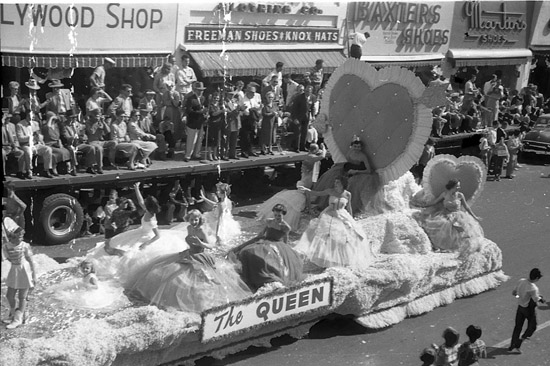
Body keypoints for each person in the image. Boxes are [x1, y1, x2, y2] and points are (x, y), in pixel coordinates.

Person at [127, 209, 251, 312]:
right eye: (191, 219)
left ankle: (197, 301)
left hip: (200, 256)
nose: (193, 222)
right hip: (188, 254)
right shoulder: (189, 228)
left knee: (200, 280)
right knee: (165, 272)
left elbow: (212, 246)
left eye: (196, 219)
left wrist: (200, 242)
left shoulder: (201, 230)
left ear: (199, 219)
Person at [296, 176, 374, 269]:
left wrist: (352, 219)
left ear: (342, 184)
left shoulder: (347, 194)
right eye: (335, 182)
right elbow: (317, 193)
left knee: (347, 236)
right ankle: (326, 258)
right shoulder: (330, 191)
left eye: (337, 182)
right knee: (328, 235)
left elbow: (349, 207)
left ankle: (344, 259)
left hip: (342, 214)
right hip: (329, 214)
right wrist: (306, 189)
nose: (335, 184)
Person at [232, 203, 304, 292]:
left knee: (270, 257)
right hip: (265, 241)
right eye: (276, 215)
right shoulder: (269, 221)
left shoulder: (285, 227)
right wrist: (251, 242)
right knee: (249, 251)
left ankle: (272, 278)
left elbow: (285, 240)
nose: (277, 217)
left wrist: (286, 254)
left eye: (279, 216)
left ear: (283, 215)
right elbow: (262, 234)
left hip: (278, 244)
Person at [257, 143, 327, 231]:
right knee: (295, 208)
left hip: (304, 184)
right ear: (314, 150)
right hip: (303, 188)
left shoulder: (309, 159)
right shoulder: (311, 157)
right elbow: (322, 156)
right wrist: (323, 148)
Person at [416, 179, 484, 253]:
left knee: (462, 229)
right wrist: (423, 205)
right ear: (452, 186)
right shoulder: (445, 194)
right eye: (457, 186)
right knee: (442, 225)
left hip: (458, 216)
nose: (459, 187)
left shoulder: (460, 195)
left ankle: (461, 246)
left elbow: (467, 207)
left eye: (459, 186)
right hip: (446, 214)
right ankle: (443, 246)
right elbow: (435, 202)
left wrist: (475, 217)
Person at [45, 259, 127, 310]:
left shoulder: (91, 277)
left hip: (91, 291)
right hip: (85, 287)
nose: (85, 269)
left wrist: (88, 286)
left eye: (87, 268)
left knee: (72, 298)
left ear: (91, 269)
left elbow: (96, 287)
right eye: (83, 268)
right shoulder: (86, 275)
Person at [1, 218, 36, 329]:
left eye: (22, 235)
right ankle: (13, 314)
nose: (22, 237)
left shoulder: (24, 246)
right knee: (9, 295)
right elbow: (5, 258)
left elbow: (30, 260)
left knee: (22, 296)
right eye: (19, 235)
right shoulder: (6, 246)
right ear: (13, 236)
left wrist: (34, 275)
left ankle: (18, 318)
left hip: (24, 271)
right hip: (14, 270)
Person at [508, 268, 546, 354]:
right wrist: (541, 298)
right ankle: (520, 341)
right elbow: (536, 299)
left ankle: (512, 345)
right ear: (536, 278)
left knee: (517, 327)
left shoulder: (521, 281)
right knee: (532, 327)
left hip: (520, 307)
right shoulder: (533, 288)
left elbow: (514, 293)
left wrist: (520, 297)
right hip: (528, 310)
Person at [15, 113, 55, 178]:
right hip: (26, 145)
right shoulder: (19, 125)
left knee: (48, 149)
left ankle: (46, 170)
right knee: (28, 151)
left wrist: (39, 137)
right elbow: (20, 138)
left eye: (33, 117)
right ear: (27, 116)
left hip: (35, 144)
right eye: (30, 117)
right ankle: (29, 171)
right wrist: (30, 137)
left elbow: (40, 136)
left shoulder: (35, 124)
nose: (32, 119)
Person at [183, 81, 208, 162]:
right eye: (199, 90)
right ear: (195, 90)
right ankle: (188, 156)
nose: (200, 92)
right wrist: (200, 112)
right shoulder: (191, 99)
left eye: (202, 90)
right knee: (191, 139)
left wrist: (205, 114)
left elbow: (205, 108)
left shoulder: (203, 98)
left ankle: (196, 154)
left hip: (200, 122)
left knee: (199, 138)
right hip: (192, 122)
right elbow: (189, 111)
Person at [239, 83, 262, 158]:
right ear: (247, 92)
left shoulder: (254, 99)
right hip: (245, 119)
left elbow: (257, 107)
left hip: (252, 120)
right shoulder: (243, 99)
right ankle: (244, 151)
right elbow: (243, 110)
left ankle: (250, 150)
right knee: (245, 136)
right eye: (252, 92)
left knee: (252, 135)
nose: (253, 94)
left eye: (254, 93)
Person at [291, 84, 315, 152]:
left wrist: (313, 115)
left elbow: (312, 107)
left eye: (309, 91)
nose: (307, 92)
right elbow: (294, 109)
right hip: (298, 117)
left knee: (304, 132)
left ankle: (303, 147)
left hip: (306, 117)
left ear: (311, 92)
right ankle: (296, 147)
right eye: (306, 91)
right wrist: (294, 118)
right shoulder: (299, 97)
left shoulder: (312, 97)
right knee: (298, 133)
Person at [2, 112, 26, 179]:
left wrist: (16, 147)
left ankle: (20, 172)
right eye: (7, 118)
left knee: (21, 153)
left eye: (9, 118)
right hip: (3, 147)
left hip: (11, 147)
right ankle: (3, 173)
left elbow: (15, 138)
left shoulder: (12, 125)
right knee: (2, 153)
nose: (9, 119)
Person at [259, 91, 280, 155]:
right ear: (266, 97)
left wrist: (278, 114)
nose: (270, 98)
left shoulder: (274, 105)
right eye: (269, 97)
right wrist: (272, 113)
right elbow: (264, 114)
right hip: (266, 122)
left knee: (272, 136)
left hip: (273, 122)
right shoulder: (264, 105)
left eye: (272, 97)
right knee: (265, 136)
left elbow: (277, 111)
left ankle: (270, 149)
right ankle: (263, 149)